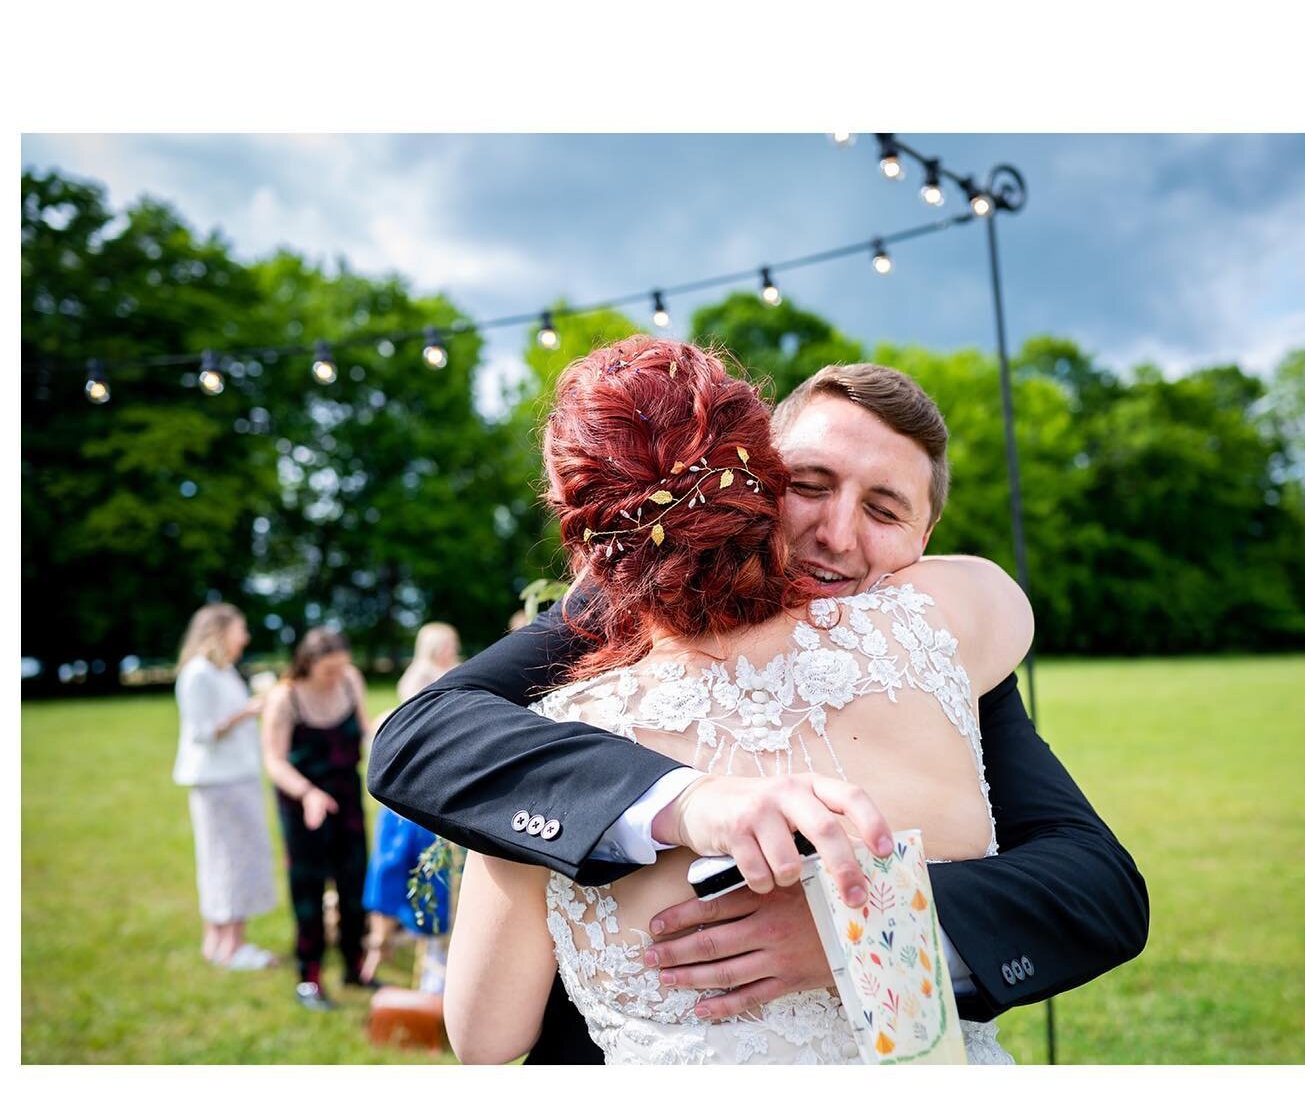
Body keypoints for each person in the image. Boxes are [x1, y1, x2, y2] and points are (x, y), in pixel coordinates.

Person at [369, 350, 1149, 1062]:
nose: (836, 535)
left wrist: (864, 929)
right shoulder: (617, 611)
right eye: (809, 486)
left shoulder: (934, 652)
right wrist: (679, 800)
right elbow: (423, 732)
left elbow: (1095, 885)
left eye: (884, 511)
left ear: (925, 537)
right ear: (752, 480)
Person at [261, 627, 373, 1011]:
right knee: (308, 892)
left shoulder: (350, 681)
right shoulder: (284, 698)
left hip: (347, 795)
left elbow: (365, 730)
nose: (337, 676)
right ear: (308, 664)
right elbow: (274, 760)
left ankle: (355, 967)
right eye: (329, 670)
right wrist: (307, 793)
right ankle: (309, 979)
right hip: (302, 802)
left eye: (342, 667)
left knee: (354, 883)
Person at [172, 603, 278, 971]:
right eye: (240, 629)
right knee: (232, 859)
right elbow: (203, 731)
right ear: (219, 631)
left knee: (223, 858)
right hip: (221, 780)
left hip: (235, 776)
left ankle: (216, 943)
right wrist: (247, 712)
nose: (245, 637)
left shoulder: (222, 671)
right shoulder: (199, 674)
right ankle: (233, 948)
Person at [359, 623, 462, 982]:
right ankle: (384, 945)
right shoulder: (422, 676)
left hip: (436, 785)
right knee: (396, 866)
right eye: (445, 643)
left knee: (424, 871)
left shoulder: (448, 673)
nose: (451, 648)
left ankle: (425, 952)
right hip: (415, 787)